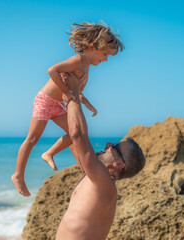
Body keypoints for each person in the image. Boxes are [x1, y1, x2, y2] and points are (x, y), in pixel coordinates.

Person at [11, 22, 124, 197]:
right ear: (92, 47)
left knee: (73, 134)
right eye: (104, 54)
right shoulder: (78, 61)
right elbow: (52, 70)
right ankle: (18, 175)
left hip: (58, 104)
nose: (106, 59)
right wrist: (66, 92)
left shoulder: (86, 67)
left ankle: (49, 153)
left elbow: (76, 90)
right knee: (32, 139)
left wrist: (86, 103)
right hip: (46, 100)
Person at [55, 73, 146, 240]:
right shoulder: (93, 176)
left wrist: (73, 93)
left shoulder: (104, 184)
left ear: (119, 164)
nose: (108, 145)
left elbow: (78, 135)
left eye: (115, 147)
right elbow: (72, 135)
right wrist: (62, 95)